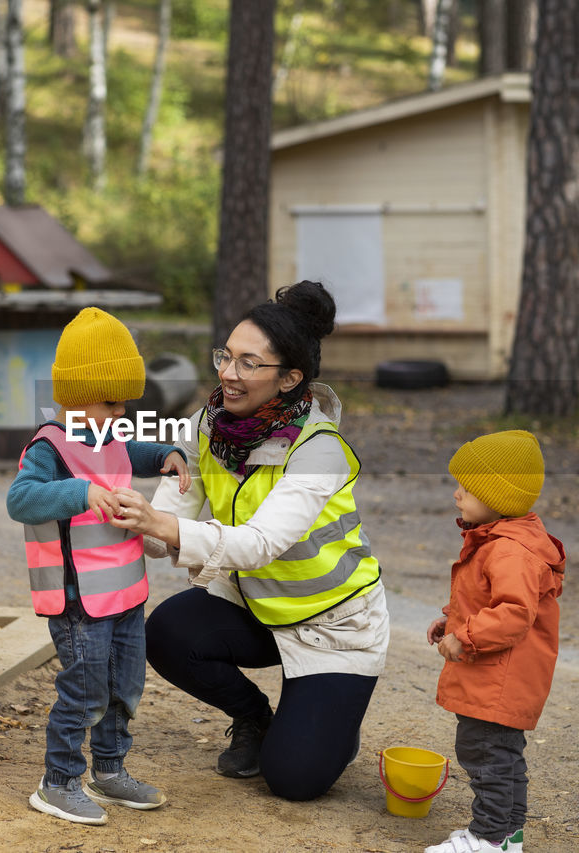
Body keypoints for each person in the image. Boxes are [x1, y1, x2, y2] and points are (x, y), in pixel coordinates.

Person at [110, 280, 389, 802]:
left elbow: (260, 543)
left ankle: (327, 723)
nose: (227, 374)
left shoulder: (319, 449)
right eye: (226, 356)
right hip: (258, 607)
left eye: (247, 363)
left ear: (289, 378)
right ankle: (256, 717)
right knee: (170, 631)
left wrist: (160, 526)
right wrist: (121, 507)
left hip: (330, 624)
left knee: (294, 781)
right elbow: (165, 521)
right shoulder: (205, 426)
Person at [6, 307, 189, 826]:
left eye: (125, 402)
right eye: (112, 401)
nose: (120, 411)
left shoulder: (108, 436)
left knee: (124, 688)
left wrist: (165, 454)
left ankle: (108, 771)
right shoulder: (49, 448)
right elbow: (21, 500)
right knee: (85, 691)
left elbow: (129, 452)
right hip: (78, 601)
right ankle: (58, 782)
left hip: (127, 595)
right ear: (75, 395)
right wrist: (82, 492)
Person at [423, 430, 566, 853]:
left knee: (487, 757)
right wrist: (450, 619)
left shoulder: (509, 551)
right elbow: (487, 599)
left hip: (498, 678)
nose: (456, 494)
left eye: (466, 489)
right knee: (502, 758)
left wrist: (464, 637)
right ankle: (508, 837)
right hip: (501, 676)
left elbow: (513, 614)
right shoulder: (503, 540)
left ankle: (487, 838)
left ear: (497, 498)